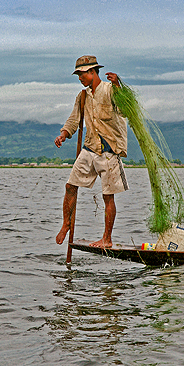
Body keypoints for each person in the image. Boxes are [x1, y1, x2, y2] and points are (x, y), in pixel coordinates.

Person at [55, 55, 129, 248]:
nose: (79, 78)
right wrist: (63, 135)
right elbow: (73, 120)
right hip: (90, 147)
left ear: (92, 72)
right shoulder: (82, 96)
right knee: (70, 186)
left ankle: (107, 239)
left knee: (108, 196)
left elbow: (124, 110)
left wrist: (118, 87)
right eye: (78, 74)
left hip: (109, 150)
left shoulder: (110, 90)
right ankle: (66, 224)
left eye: (82, 74)